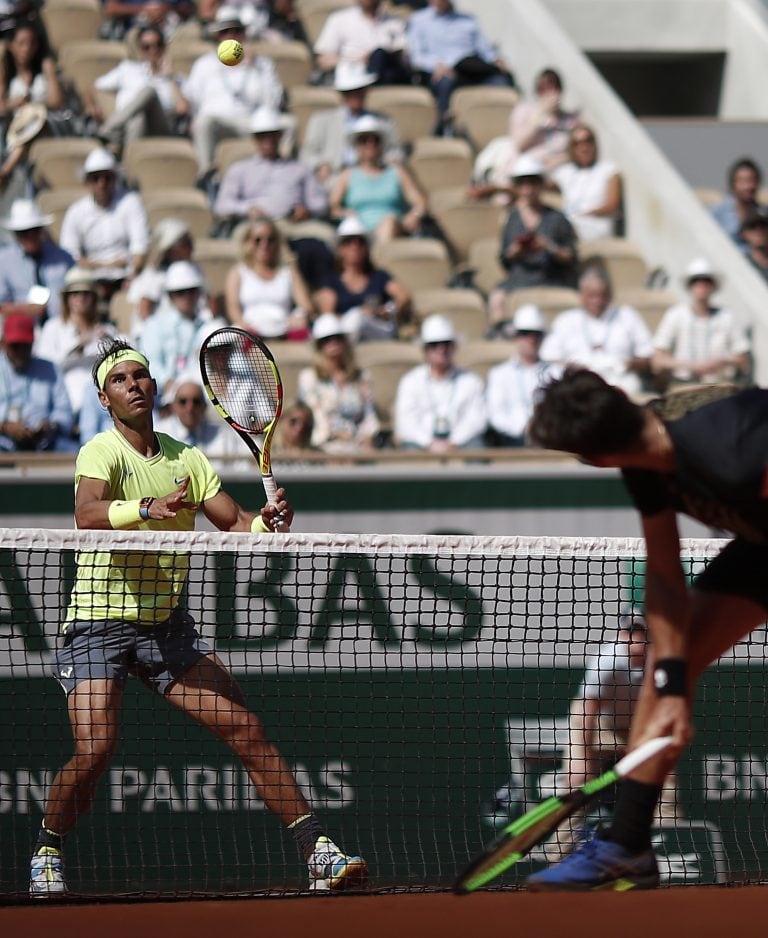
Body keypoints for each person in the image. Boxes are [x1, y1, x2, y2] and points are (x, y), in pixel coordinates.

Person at [28, 336, 368, 897]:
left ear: (154, 387)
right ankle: (47, 847)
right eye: (120, 380)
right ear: (104, 398)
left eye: (141, 376)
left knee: (247, 730)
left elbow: (234, 524)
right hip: (97, 623)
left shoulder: (187, 458)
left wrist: (267, 522)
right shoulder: (100, 452)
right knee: (96, 749)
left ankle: (318, 853)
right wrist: (145, 509)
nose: (134, 385)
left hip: (166, 625)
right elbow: (86, 514)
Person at [523, 367, 768, 891]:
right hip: (762, 545)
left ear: (595, 457)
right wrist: (674, 687)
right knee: (664, 666)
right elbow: (663, 572)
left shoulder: (731, 451)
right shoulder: (646, 458)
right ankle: (626, 846)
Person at [182, 6, 283, 183]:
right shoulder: (204, 64)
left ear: (244, 34)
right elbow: (193, 100)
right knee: (203, 122)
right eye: (225, 32)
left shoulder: (262, 65)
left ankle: (282, 171)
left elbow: (272, 102)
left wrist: (254, 68)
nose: (232, 36)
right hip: (218, 121)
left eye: (237, 31)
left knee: (289, 125)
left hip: (252, 122)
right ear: (217, 36)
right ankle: (207, 174)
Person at [488, 154, 578, 326]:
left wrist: (549, 247)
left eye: (532, 183)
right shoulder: (512, 219)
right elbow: (504, 259)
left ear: (541, 185)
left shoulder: (557, 218)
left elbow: (570, 256)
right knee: (497, 299)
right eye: (522, 183)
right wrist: (515, 252)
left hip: (550, 277)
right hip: (520, 278)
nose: (528, 189)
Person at [540, 265, 653, 398]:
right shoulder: (566, 320)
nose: (598, 301)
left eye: (602, 295)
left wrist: (628, 364)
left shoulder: (627, 316)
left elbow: (647, 356)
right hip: (578, 380)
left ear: (610, 295)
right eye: (592, 296)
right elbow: (549, 356)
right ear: (581, 295)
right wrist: (573, 366)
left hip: (619, 380)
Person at [406, 0, 514, 134]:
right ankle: (444, 128)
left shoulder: (468, 20)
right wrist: (436, 65)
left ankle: (506, 125)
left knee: (500, 81)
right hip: (443, 73)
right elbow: (416, 56)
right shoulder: (419, 20)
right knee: (446, 82)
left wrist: (496, 59)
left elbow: (485, 49)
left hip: (471, 68)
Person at [34, 266, 119, 437]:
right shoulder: (53, 327)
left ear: (94, 298)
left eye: (86, 294)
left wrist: (110, 341)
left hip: (99, 403)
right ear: (66, 299)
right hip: (66, 402)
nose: (81, 298)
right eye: (75, 294)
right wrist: (78, 345)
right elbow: (44, 368)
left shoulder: (107, 330)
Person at [213, 106, 328, 230]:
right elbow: (222, 205)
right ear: (255, 138)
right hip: (252, 226)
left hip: (293, 225)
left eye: (272, 135)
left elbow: (320, 204)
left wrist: (307, 211)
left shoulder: (301, 168)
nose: (268, 140)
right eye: (262, 136)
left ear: (280, 136)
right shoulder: (239, 169)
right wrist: (247, 209)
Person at [59, 148, 150, 301]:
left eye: (107, 177)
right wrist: (108, 265)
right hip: (90, 281)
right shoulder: (76, 212)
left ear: (115, 179)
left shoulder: (131, 202)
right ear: (87, 182)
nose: (102, 183)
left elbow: (139, 248)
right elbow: (69, 255)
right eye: (96, 178)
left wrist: (131, 276)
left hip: (126, 278)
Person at [86, 25, 189, 157]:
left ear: (164, 47)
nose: (153, 51)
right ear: (140, 50)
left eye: (157, 45)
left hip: (160, 129)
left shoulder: (176, 78)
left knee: (149, 91)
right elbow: (93, 87)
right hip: (129, 126)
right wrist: (91, 106)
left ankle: (108, 130)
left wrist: (169, 77)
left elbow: (182, 109)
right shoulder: (128, 69)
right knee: (137, 118)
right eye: (147, 47)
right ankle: (129, 164)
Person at [299, 61, 402, 189]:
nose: (355, 96)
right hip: (335, 177)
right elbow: (307, 154)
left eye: (359, 90)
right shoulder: (321, 121)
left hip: (374, 177)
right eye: (350, 92)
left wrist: (383, 163)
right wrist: (321, 164)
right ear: (341, 94)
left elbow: (395, 151)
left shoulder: (384, 121)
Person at [651, 258, 751, 389]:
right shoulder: (675, 314)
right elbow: (658, 360)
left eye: (706, 281)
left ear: (713, 286)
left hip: (719, 385)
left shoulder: (726, 316)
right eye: (696, 281)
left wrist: (720, 362)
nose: (701, 286)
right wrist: (692, 366)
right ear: (690, 285)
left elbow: (743, 358)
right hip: (684, 384)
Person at [394, 313, 486, 451]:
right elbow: (406, 423)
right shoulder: (410, 381)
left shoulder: (471, 381)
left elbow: (476, 420)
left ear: (454, 347)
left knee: (477, 449)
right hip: (420, 446)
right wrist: (429, 443)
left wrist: (453, 442)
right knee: (409, 452)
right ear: (425, 349)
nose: (441, 349)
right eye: (434, 345)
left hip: (462, 445)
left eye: (446, 344)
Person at [329, 115, 427, 243]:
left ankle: (382, 254)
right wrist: (345, 214)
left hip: (392, 229)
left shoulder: (396, 171)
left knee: (389, 222)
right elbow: (333, 207)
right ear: (357, 145)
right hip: (359, 234)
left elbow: (420, 202)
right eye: (364, 140)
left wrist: (415, 215)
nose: (370, 144)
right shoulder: (347, 175)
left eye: (375, 140)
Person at [314, 216, 411, 341]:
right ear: (340, 249)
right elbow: (328, 315)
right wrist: (356, 314)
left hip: (377, 331)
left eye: (360, 242)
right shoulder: (331, 281)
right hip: (345, 334)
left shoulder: (379, 276)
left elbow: (403, 297)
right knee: (356, 319)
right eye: (348, 242)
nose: (355, 246)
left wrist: (384, 311)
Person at [297, 313, 381, 454]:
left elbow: (369, 414)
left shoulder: (362, 376)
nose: (333, 343)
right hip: (323, 445)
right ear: (319, 345)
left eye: (337, 338)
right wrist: (337, 434)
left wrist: (366, 437)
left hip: (359, 444)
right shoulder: (309, 378)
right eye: (326, 340)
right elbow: (316, 415)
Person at [139, 259, 222, 397]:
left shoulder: (210, 325)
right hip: (165, 398)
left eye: (192, 291)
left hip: (203, 397)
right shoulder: (154, 325)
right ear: (170, 296)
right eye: (180, 292)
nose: (187, 297)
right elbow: (150, 362)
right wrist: (167, 383)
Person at [224, 217, 313, 341]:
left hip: (284, 331)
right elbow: (233, 309)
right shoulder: (238, 272)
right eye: (258, 240)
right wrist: (243, 324)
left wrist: (300, 316)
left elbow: (306, 306)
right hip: (250, 334)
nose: (264, 245)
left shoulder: (288, 272)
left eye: (270, 240)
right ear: (248, 242)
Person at [0, 311, 75, 451]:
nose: (21, 352)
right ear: (3, 343)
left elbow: (64, 411)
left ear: (33, 343)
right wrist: (5, 427)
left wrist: (50, 426)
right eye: (15, 346)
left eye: (25, 345)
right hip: (3, 441)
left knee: (73, 451)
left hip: (43, 442)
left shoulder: (49, 368)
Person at [485, 304, 558, 446]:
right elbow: (495, 414)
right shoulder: (499, 374)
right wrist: (523, 429)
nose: (531, 339)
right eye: (525, 334)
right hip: (511, 440)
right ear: (516, 337)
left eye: (536, 334)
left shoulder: (555, 373)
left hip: (549, 441)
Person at [154, 374, 250, 471]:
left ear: (204, 406)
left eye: (196, 402)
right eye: (183, 401)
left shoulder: (224, 436)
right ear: (173, 406)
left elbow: (243, 469)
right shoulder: (158, 434)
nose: (190, 408)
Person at [126, 217, 201, 339]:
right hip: (162, 335)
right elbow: (145, 310)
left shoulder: (195, 269)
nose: (192, 247)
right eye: (186, 243)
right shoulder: (154, 274)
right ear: (172, 246)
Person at [0, 198, 74, 321]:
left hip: (62, 326)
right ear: (16, 234)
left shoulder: (63, 258)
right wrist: (23, 309)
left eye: (34, 230)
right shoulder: (4, 260)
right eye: (24, 232)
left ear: (41, 230)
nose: (30, 237)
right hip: (21, 329)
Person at [551, 124, 622, 242]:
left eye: (588, 141)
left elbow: (612, 206)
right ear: (571, 148)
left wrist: (585, 215)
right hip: (568, 223)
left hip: (595, 225)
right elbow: (538, 186)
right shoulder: (565, 172)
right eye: (577, 143)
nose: (583, 147)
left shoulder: (608, 169)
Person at [313, 0, 410, 86]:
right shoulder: (339, 19)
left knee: (380, 55)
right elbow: (323, 60)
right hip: (351, 77)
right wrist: (358, 60)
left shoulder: (396, 23)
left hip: (385, 76)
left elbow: (402, 56)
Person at [710, 157, 768, 249]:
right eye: (742, 181)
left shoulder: (763, 214)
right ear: (733, 184)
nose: (748, 186)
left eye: (751, 181)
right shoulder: (716, 214)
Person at [740, 212, 768, 284]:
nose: (759, 230)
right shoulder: (742, 263)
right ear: (744, 234)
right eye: (752, 226)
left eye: (763, 225)